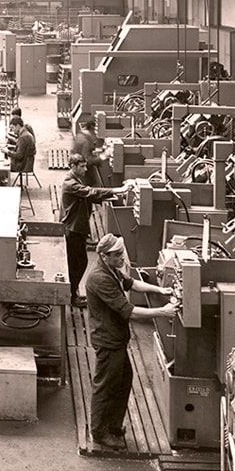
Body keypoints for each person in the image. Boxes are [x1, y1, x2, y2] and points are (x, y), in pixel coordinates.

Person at [86, 233, 178, 449]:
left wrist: (159, 289)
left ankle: (113, 425)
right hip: (108, 341)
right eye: (117, 255)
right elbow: (130, 312)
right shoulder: (99, 278)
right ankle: (99, 432)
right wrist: (162, 312)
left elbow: (132, 283)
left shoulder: (111, 270)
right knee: (106, 386)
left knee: (124, 379)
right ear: (103, 256)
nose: (122, 258)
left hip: (116, 339)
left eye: (121, 253)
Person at [61, 154, 128, 308]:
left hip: (78, 227)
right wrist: (116, 190)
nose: (85, 169)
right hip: (74, 228)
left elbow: (87, 196)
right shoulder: (70, 183)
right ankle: (71, 296)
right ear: (73, 166)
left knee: (77, 263)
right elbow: (89, 192)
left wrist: (109, 198)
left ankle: (73, 293)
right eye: (82, 166)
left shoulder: (75, 179)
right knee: (77, 263)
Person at [71, 120, 104, 186]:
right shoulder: (86, 141)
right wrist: (102, 157)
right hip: (83, 175)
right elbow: (88, 160)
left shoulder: (80, 135)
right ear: (93, 128)